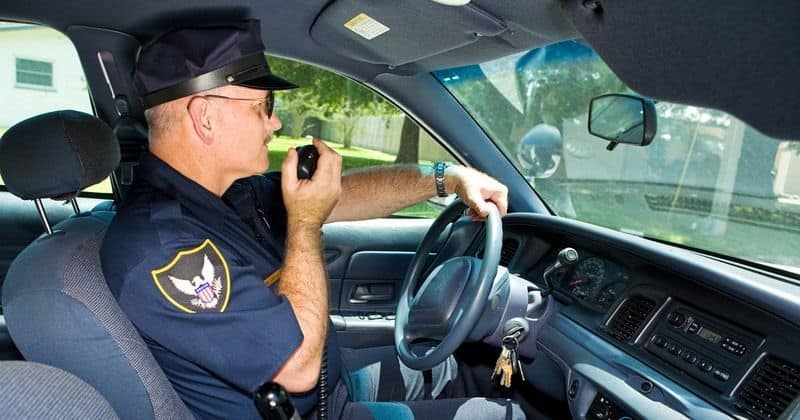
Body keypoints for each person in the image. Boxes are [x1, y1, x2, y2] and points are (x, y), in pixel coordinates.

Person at [101, 20, 521, 420]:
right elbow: (298, 369)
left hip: (334, 393)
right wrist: (305, 221)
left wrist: (445, 177)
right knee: (506, 415)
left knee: (463, 372)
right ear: (205, 117)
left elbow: (343, 195)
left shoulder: (223, 194)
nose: (275, 122)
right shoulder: (160, 247)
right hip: (316, 408)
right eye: (264, 105)